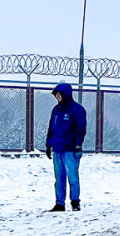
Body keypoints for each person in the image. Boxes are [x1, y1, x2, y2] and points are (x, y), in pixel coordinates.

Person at [45, 83, 88, 212]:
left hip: (71, 149)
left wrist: (78, 144)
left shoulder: (77, 110)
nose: (58, 96)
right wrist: (48, 144)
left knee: (73, 176)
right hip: (57, 148)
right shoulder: (56, 110)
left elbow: (81, 129)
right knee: (59, 178)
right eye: (56, 94)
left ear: (66, 94)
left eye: (60, 94)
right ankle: (59, 203)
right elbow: (51, 128)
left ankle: (75, 202)